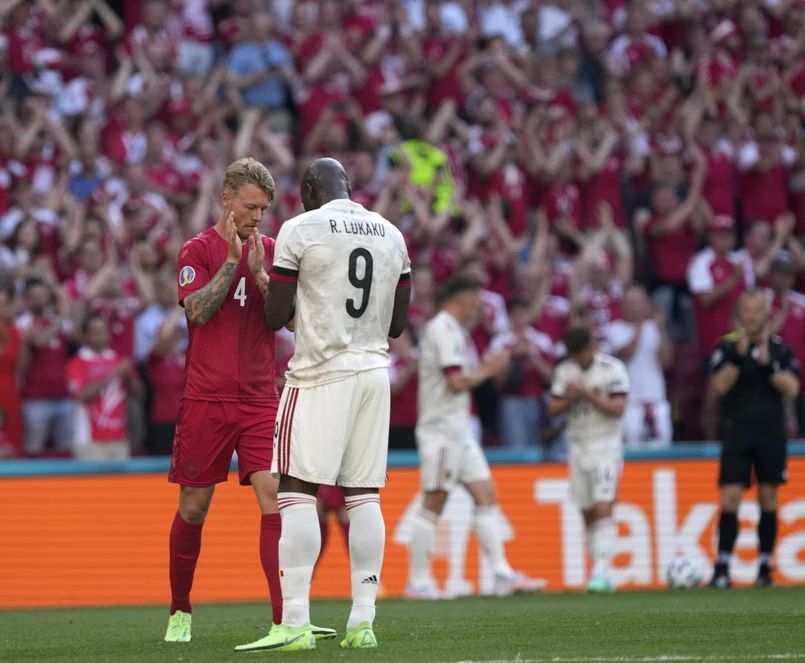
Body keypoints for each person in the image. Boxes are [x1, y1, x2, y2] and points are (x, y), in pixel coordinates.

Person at [236, 157, 411, 653]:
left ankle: (295, 621)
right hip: (374, 374)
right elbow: (397, 325)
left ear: (312, 189)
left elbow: (275, 317)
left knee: (296, 491)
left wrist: (263, 276)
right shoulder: (391, 233)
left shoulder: (301, 228)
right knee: (364, 496)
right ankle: (363, 621)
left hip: (319, 375)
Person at [164, 158, 336, 644]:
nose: (258, 217)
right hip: (206, 398)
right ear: (226, 200)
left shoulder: (275, 252)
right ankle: (180, 609)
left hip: (261, 399)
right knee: (194, 508)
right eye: (250, 207)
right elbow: (197, 311)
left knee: (276, 500)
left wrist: (261, 276)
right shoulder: (197, 250)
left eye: (263, 209)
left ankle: (286, 619)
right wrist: (230, 264)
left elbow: (294, 322)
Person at [406, 274, 545, 600]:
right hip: (441, 430)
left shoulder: (456, 331)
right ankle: (417, 581)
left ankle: (501, 575)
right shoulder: (442, 329)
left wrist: (483, 369)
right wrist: (489, 370)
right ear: (463, 297)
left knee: (486, 495)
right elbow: (456, 382)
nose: (480, 306)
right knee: (434, 502)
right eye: (478, 298)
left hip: (459, 430)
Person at [707, 289, 800, 588]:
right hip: (737, 431)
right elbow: (720, 386)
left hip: (771, 432)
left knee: (768, 497)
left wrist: (768, 365)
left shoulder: (781, 350)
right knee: (730, 497)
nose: (751, 316)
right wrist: (739, 356)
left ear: (767, 314)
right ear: (739, 315)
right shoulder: (726, 348)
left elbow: (792, 389)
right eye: (746, 311)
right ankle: (723, 568)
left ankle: (764, 567)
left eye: (757, 310)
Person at [547, 327, 629, 593]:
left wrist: (587, 395)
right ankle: (601, 573)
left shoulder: (612, 369)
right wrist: (570, 398)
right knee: (587, 512)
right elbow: (552, 408)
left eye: (581, 354)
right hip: (577, 446)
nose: (579, 359)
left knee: (603, 506)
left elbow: (618, 409)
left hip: (605, 445)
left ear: (591, 348)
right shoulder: (565, 371)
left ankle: (600, 573)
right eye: (574, 355)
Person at [604, 284, 674, 448]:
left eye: (637, 302)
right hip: (631, 404)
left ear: (646, 303)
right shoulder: (615, 328)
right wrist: (641, 323)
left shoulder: (654, 328)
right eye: (629, 302)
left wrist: (660, 328)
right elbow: (628, 353)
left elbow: (667, 360)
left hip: (656, 401)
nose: (633, 307)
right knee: (633, 452)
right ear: (621, 305)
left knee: (662, 452)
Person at [66, 313, 142, 460]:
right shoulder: (76, 363)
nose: (101, 336)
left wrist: (129, 378)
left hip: (119, 438)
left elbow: (138, 394)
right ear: (85, 336)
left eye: (103, 331)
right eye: (95, 332)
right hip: (89, 440)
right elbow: (80, 395)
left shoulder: (118, 359)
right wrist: (113, 375)